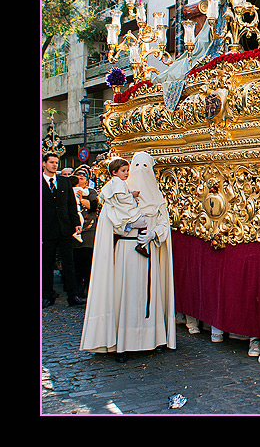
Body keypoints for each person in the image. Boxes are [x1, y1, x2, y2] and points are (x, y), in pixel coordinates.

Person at [80, 153, 176, 363]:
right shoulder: (120, 191)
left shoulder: (157, 197)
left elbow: (164, 224)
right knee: (127, 296)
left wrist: (153, 233)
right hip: (125, 251)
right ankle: (123, 343)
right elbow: (109, 222)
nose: (140, 169)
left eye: (145, 165)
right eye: (136, 165)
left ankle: (152, 340)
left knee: (148, 296)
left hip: (148, 250)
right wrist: (130, 226)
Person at [42, 152, 86, 308]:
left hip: (65, 228)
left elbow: (71, 204)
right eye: (51, 162)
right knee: (47, 264)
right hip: (46, 230)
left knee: (69, 263)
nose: (55, 165)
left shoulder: (64, 181)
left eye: (56, 162)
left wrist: (76, 222)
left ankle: (73, 295)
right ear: (44, 164)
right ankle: (47, 295)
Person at [71, 167, 99, 295]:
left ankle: (88, 288)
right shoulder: (69, 190)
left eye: (83, 176)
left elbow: (93, 206)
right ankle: (77, 288)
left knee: (87, 259)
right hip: (74, 230)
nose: (80, 177)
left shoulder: (91, 192)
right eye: (78, 175)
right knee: (75, 260)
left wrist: (82, 199)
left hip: (88, 229)